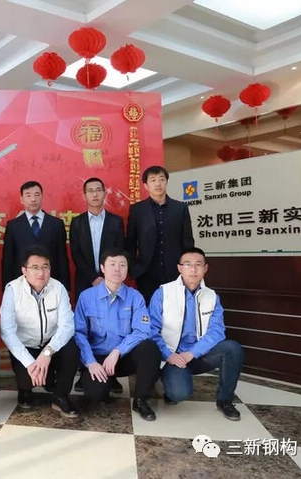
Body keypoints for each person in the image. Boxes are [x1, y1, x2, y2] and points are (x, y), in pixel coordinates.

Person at [149, 247, 244, 421]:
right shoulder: (163, 293)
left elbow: (217, 331)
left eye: (198, 265)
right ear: (179, 268)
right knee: (178, 394)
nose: (193, 269)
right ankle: (169, 384)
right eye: (187, 264)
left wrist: (192, 353)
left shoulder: (211, 296)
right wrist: (168, 355)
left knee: (233, 348)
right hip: (172, 356)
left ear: (205, 268)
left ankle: (225, 400)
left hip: (199, 354)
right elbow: (151, 330)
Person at [74, 248, 161, 421]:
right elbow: (79, 333)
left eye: (122, 265)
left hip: (123, 357)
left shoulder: (135, 297)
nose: (117, 269)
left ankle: (141, 400)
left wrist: (117, 351)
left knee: (150, 348)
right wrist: (90, 362)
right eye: (112, 264)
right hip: (98, 358)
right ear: (102, 268)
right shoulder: (86, 297)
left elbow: (142, 330)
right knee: (97, 394)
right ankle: (98, 379)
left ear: (127, 269)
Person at [0, 246, 79, 417]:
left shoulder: (58, 288)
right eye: (35, 267)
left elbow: (67, 326)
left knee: (72, 348)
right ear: (24, 270)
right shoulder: (12, 290)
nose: (41, 272)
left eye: (45, 267)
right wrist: (30, 363)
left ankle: (60, 396)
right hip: (26, 347)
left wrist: (48, 352)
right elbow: (7, 332)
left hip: (51, 346)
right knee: (28, 380)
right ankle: (25, 390)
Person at [69, 177, 125, 394]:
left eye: (98, 190)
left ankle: (112, 374)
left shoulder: (116, 222)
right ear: (84, 195)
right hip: (85, 281)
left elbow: (119, 252)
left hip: (111, 281)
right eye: (90, 191)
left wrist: (107, 276)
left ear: (104, 193)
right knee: (86, 327)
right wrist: (94, 277)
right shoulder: (77, 222)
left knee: (112, 326)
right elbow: (76, 253)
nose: (94, 194)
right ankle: (85, 371)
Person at [125, 166, 194, 304]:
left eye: (161, 179)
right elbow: (130, 243)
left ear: (166, 182)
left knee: (176, 310)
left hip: (175, 272)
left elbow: (188, 242)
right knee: (148, 310)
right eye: (153, 180)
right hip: (146, 273)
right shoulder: (137, 210)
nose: (158, 183)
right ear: (145, 185)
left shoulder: (180, 208)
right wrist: (134, 268)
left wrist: (187, 268)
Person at [2, 181, 70, 291]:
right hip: (22, 285)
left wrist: (65, 287)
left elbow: (62, 258)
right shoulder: (13, 226)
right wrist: (8, 287)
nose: (33, 199)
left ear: (42, 197)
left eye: (37, 195)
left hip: (52, 284)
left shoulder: (56, 224)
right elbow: (8, 261)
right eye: (28, 195)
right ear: (21, 199)